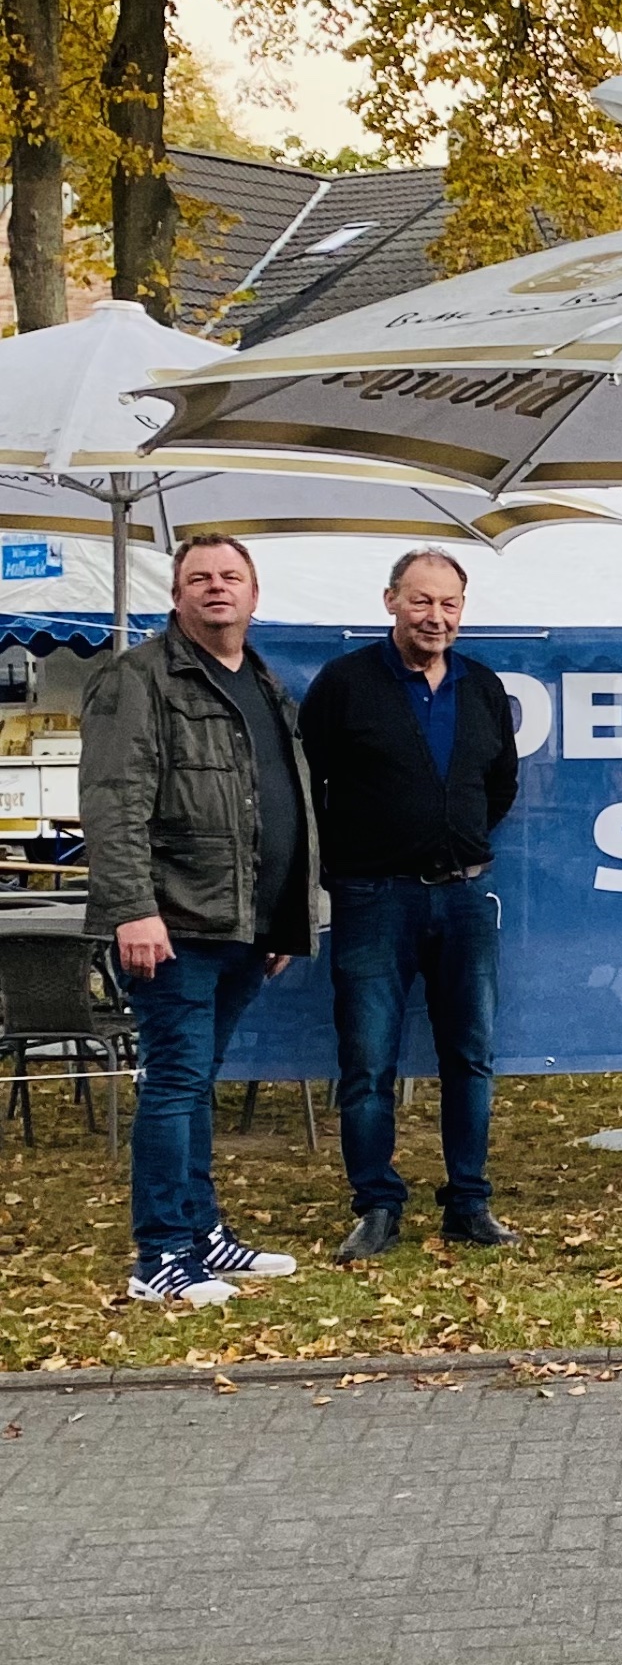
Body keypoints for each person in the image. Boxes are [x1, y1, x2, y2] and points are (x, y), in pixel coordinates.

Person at [80, 535, 310, 1306]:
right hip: (173, 921)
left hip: (243, 924)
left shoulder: (264, 681)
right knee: (175, 1082)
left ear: (254, 593)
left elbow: (283, 801)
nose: (218, 587)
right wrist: (133, 910)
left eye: (231, 576)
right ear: (176, 595)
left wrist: (283, 917)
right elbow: (112, 802)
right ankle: (160, 1256)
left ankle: (202, 1230)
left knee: (196, 1080)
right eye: (200, 577)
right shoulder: (137, 678)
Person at [299, 549, 521, 1262]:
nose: (435, 617)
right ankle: (376, 1206)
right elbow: (307, 788)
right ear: (390, 600)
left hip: (464, 896)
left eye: (449, 603)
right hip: (373, 898)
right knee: (368, 1061)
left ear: (463, 609)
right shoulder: (344, 684)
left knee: (471, 1056)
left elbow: (500, 784)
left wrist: (451, 834)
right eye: (421, 600)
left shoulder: (482, 686)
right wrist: (356, 857)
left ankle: (469, 1203)